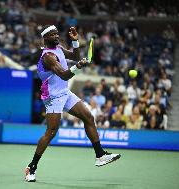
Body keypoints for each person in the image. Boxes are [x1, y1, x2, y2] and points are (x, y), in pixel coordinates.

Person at [25, 25, 121, 182]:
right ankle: (31, 167)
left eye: (57, 33)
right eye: (52, 34)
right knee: (51, 132)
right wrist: (78, 67)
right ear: (45, 38)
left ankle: (100, 155)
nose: (56, 36)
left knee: (88, 117)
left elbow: (75, 56)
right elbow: (64, 75)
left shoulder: (59, 48)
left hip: (64, 92)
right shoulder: (48, 56)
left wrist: (75, 41)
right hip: (53, 97)